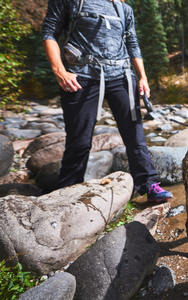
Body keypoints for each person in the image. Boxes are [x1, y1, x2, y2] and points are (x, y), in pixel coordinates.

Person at [42, 0, 172, 202]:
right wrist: (60, 71)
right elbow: (49, 31)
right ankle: (67, 191)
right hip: (81, 76)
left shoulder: (123, 7)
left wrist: (142, 77)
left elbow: (132, 43)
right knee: (80, 140)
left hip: (121, 77)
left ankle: (149, 185)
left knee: (135, 137)